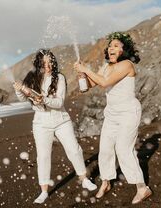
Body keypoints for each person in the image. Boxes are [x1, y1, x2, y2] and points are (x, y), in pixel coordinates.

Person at [74, 32, 152, 204]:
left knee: (124, 150)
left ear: (124, 50)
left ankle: (142, 188)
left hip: (128, 112)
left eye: (116, 46)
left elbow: (104, 83)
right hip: (112, 113)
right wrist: (82, 77)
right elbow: (90, 86)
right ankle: (106, 182)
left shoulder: (127, 64)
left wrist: (86, 69)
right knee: (106, 149)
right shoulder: (106, 66)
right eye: (110, 46)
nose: (111, 48)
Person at [13, 49, 97, 204]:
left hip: (61, 120)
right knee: (43, 157)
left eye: (50, 61)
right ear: (39, 63)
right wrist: (19, 90)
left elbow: (59, 103)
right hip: (41, 123)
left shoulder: (59, 78)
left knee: (74, 149)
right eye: (44, 62)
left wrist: (43, 99)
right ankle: (44, 191)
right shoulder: (31, 78)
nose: (48, 65)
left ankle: (84, 178)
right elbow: (22, 98)